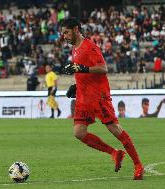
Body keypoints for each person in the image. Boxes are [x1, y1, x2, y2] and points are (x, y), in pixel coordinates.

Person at [61, 18, 144, 180]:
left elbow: (102, 68)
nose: (64, 36)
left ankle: (138, 165)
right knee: (79, 132)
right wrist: (76, 86)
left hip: (99, 96)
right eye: (63, 33)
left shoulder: (90, 47)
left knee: (115, 130)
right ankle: (115, 153)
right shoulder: (75, 49)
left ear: (76, 29)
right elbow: (83, 71)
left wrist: (82, 68)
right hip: (84, 97)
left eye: (66, 32)